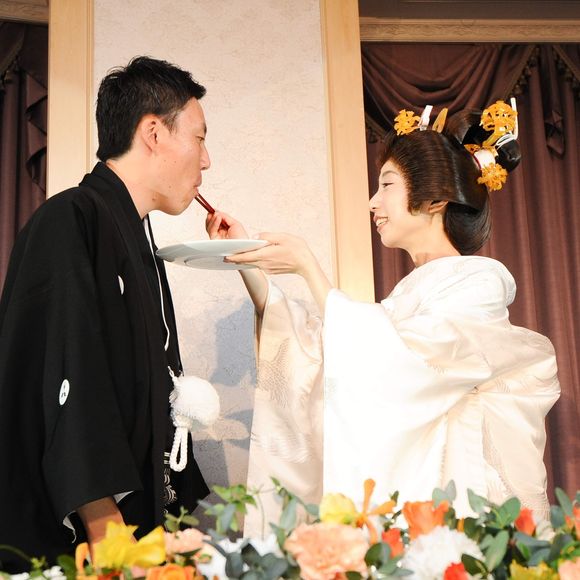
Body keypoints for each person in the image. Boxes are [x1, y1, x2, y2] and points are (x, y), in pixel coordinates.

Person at [205, 102, 560, 531]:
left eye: (387, 185)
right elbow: (328, 362)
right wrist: (248, 263)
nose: (373, 203)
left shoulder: (478, 285)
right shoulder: (411, 294)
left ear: (435, 199)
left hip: (458, 498)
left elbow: (408, 365)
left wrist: (309, 268)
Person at [0, 56, 211, 571]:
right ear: (154, 133)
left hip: (136, 525)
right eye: (200, 138)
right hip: (93, 538)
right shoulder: (69, 218)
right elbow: (67, 376)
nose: (206, 161)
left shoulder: (134, 234)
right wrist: (106, 529)